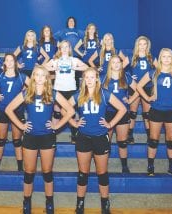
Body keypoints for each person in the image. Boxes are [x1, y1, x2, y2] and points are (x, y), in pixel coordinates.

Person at [5, 65, 75, 214]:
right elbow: (8, 109)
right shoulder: (26, 93)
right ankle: (26, 201)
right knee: (29, 171)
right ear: (33, 77)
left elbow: (70, 110)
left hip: (47, 136)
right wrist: (21, 125)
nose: (40, 78)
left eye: (43, 75)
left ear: (47, 78)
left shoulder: (53, 93)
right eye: (37, 75)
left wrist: (57, 125)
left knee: (47, 171)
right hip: (30, 136)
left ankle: (49, 202)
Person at [67, 67, 126, 214]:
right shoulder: (79, 95)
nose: (89, 80)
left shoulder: (104, 94)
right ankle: (80, 203)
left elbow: (123, 109)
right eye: (86, 77)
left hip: (100, 137)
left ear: (97, 79)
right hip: (83, 138)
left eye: (92, 77)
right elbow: (63, 108)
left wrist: (110, 124)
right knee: (83, 173)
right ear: (83, 80)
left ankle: (105, 203)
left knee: (102, 172)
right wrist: (74, 123)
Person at [136, 48, 172, 176]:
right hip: (156, 110)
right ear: (160, 58)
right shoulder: (153, 73)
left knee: (171, 140)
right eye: (164, 56)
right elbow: (139, 86)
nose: (166, 59)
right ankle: (150, 167)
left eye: (169, 57)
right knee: (153, 139)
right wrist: (148, 98)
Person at [0, 54, 30, 171]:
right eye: (7, 60)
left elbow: (34, 87)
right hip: (2, 110)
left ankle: (20, 167)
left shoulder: (22, 76)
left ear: (15, 62)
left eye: (12, 60)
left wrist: (25, 91)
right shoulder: (0, 76)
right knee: (1, 140)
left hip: (17, 111)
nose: (10, 62)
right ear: (4, 63)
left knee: (17, 141)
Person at [44, 40, 88, 143]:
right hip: (58, 90)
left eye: (66, 47)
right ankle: (52, 134)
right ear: (59, 49)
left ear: (69, 49)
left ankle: (74, 134)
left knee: (71, 113)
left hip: (71, 89)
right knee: (57, 113)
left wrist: (75, 67)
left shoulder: (74, 59)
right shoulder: (56, 60)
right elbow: (44, 67)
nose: (64, 49)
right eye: (62, 47)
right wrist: (53, 67)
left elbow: (86, 67)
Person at [102, 55, 138, 173]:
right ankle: (103, 166)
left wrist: (131, 100)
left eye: (118, 62)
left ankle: (124, 166)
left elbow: (139, 89)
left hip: (123, 113)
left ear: (121, 64)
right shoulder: (103, 78)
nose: (116, 64)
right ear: (110, 65)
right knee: (106, 142)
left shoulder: (126, 77)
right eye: (113, 62)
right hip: (108, 112)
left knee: (122, 142)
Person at [121, 36, 157, 144]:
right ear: (137, 45)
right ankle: (130, 135)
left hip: (147, 87)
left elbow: (160, 71)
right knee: (132, 113)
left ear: (147, 45)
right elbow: (118, 69)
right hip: (135, 87)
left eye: (144, 44)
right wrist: (129, 77)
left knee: (147, 114)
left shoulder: (151, 58)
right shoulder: (131, 57)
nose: (142, 46)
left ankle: (150, 136)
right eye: (140, 44)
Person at [54, 16, 84, 89]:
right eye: (69, 21)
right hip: (65, 56)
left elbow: (87, 37)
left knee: (77, 75)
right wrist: (58, 45)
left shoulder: (78, 31)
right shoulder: (63, 31)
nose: (71, 22)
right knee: (65, 74)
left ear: (74, 23)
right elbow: (54, 37)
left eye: (72, 21)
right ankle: (62, 89)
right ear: (67, 23)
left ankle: (76, 91)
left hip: (76, 56)